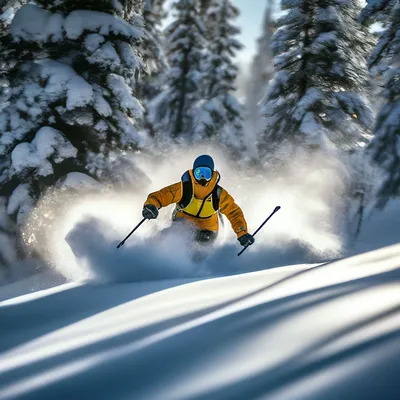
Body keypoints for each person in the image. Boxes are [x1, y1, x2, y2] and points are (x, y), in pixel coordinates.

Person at [142, 155, 255, 247]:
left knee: (201, 243)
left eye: (206, 174)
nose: (202, 178)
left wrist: (242, 233)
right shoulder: (184, 188)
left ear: (212, 174)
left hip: (208, 230)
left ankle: (199, 268)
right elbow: (162, 195)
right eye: (198, 173)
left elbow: (234, 212)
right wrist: (151, 206)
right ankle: (153, 250)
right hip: (183, 223)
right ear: (193, 173)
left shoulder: (218, 193)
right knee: (171, 237)